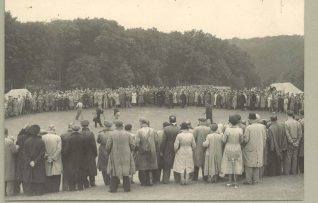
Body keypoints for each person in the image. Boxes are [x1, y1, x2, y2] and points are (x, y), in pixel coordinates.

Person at [106, 120, 136, 193]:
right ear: (122, 125)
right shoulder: (128, 134)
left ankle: (113, 189)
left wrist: (109, 152)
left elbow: (108, 146)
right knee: (126, 171)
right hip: (126, 154)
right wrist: (129, 151)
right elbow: (132, 145)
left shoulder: (111, 134)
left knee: (115, 171)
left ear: (116, 126)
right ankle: (127, 188)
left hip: (115, 154)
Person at [242, 113, 266, 185]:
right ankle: (256, 180)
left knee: (249, 165)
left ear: (249, 119)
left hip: (250, 147)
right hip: (259, 147)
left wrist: (242, 142)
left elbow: (246, 140)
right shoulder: (262, 127)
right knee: (257, 165)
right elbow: (265, 137)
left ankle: (249, 180)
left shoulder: (249, 128)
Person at [22, 125, 46, 196]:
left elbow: (24, 153)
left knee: (30, 177)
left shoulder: (26, 141)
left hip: (29, 163)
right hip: (38, 162)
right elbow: (42, 154)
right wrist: (35, 161)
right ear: (38, 132)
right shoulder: (41, 141)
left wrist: (30, 161)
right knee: (38, 177)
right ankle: (38, 192)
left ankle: (30, 192)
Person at [220, 116, 244, 186]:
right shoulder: (240, 130)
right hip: (237, 146)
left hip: (229, 146)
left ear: (230, 122)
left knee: (228, 163)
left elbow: (224, 140)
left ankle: (229, 181)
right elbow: (241, 140)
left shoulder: (227, 129)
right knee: (237, 163)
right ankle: (235, 181)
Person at [134, 118, 158, 186]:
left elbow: (137, 142)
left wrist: (137, 148)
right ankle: (151, 180)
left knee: (143, 167)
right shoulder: (153, 130)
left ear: (142, 123)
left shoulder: (139, 131)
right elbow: (156, 140)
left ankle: (144, 182)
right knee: (150, 166)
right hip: (151, 151)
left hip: (142, 151)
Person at [63, 125, 86, 191]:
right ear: (78, 130)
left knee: (72, 173)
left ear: (72, 130)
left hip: (71, 159)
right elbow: (85, 149)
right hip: (81, 158)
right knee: (80, 172)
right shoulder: (82, 137)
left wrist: (65, 156)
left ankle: (72, 187)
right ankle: (80, 186)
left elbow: (66, 150)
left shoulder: (69, 138)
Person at [41, 128, 62, 193]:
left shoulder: (42, 137)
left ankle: (48, 189)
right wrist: (53, 158)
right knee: (56, 173)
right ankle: (55, 189)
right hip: (56, 158)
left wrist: (47, 156)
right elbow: (59, 149)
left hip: (46, 158)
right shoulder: (58, 137)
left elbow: (42, 149)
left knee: (48, 173)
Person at [160, 115, 180, 184]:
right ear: (175, 120)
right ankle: (178, 179)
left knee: (167, 164)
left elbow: (163, 141)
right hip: (177, 148)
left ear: (169, 120)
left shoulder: (166, 129)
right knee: (177, 163)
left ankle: (165, 180)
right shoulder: (179, 128)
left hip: (168, 148)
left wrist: (161, 150)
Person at [283, 110, 303, 175]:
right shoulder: (298, 123)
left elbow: (287, 134)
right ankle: (294, 171)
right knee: (295, 157)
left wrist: (292, 142)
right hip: (297, 141)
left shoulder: (286, 123)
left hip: (289, 142)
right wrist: (297, 142)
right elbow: (300, 133)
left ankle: (287, 172)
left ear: (287, 114)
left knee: (288, 157)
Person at [14, 124, 31, 195]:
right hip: (28, 158)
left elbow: (18, 140)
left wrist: (22, 129)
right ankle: (26, 190)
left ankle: (16, 190)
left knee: (19, 174)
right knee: (26, 174)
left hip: (20, 158)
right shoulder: (30, 137)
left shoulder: (20, 137)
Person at [81, 120, 97, 188]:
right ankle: (92, 182)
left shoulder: (79, 133)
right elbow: (93, 145)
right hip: (90, 153)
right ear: (88, 125)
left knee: (83, 168)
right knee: (91, 168)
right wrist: (95, 153)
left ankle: (85, 183)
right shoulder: (90, 133)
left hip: (82, 154)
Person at [97, 121, 113, 186]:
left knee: (104, 165)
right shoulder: (113, 132)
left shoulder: (101, 133)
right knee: (113, 164)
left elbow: (98, 140)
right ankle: (115, 180)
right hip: (112, 149)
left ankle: (107, 181)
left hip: (103, 149)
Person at [5, 128, 19, 196]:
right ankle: (10, 193)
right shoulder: (9, 141)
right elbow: (14, 152)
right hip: (9, 161)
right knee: (9, 178)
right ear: (7, 133)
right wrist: (17, 147)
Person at [60, 123, 73, 191]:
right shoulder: (74, 135)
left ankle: (65, 187)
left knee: (65, 171)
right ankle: (72, 186)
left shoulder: (62, 135)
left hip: (65, 155)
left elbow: (60, 146)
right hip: (73, 156)